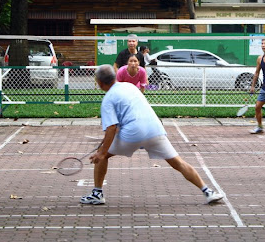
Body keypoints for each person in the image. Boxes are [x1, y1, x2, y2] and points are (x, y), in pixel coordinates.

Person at [80, 64, 224, 205]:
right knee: (178, 162)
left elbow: (111, 128)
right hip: (155, 129)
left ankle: (97, 194)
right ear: (115, 77)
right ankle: (207, 191)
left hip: (133, 133)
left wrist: (102, 152)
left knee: (101, 155)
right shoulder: (129, 86)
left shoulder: (107, 99)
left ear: (99, 83)